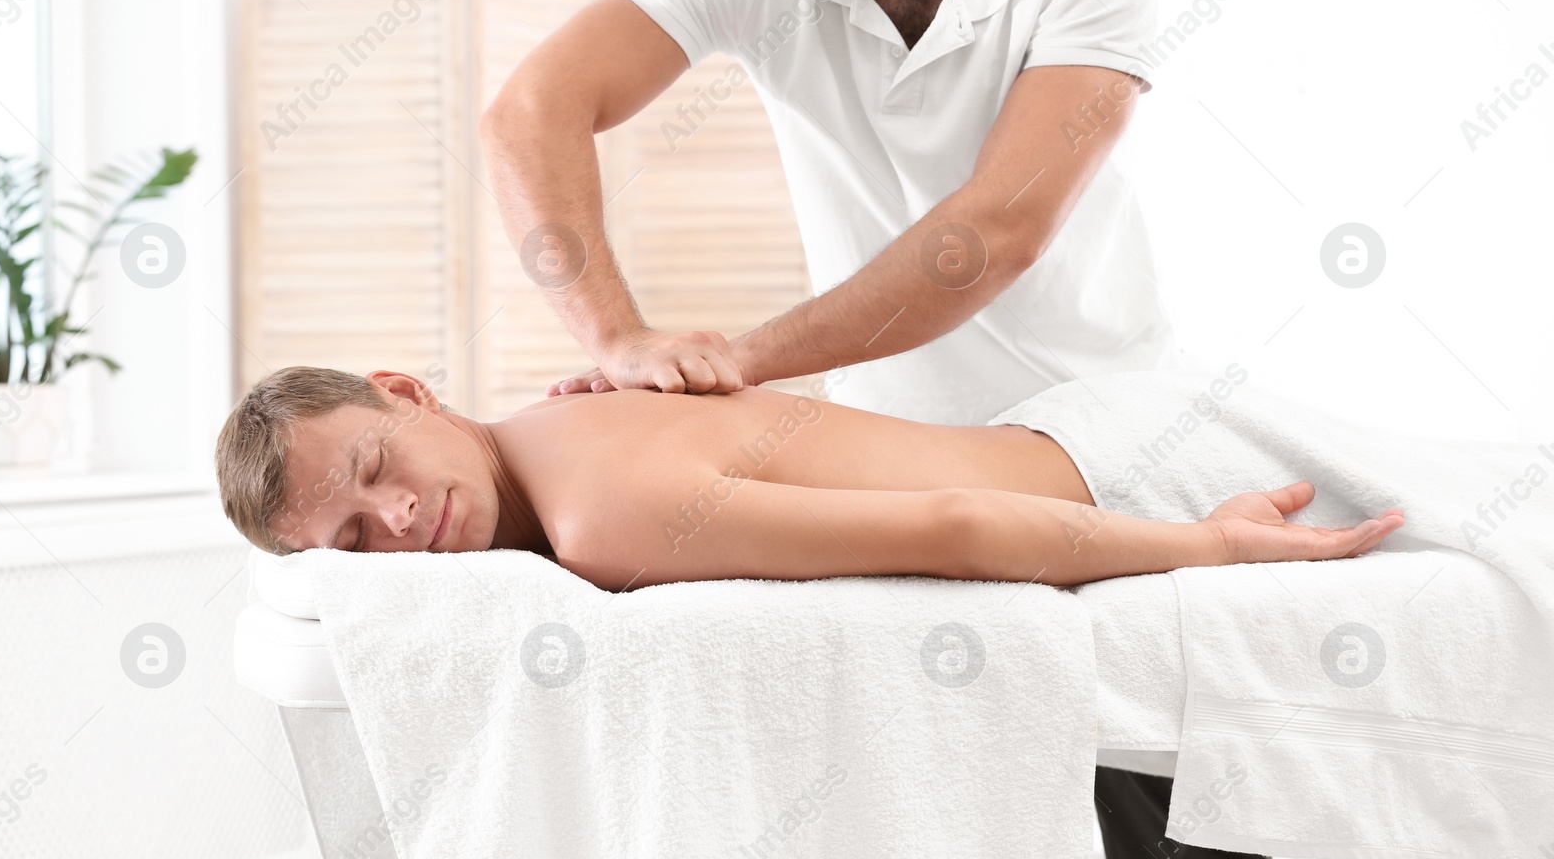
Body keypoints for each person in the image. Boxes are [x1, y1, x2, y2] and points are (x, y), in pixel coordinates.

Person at [482, 0, 1293, 859]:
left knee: (1170, 819)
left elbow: (996, 227)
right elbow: (530, 110)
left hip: (1114, 421)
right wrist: (615, 339)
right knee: (925, 825)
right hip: (895, 439)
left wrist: (740, 356)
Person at [215, 364, 1402, 588]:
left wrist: (1209, 543)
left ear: (408, 389)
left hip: (1122, 474)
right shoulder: (554, 427)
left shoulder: (594, 514)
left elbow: (952, 525)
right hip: (1085, 427)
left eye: (375, 469)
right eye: (358, 541)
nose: (401, 519)